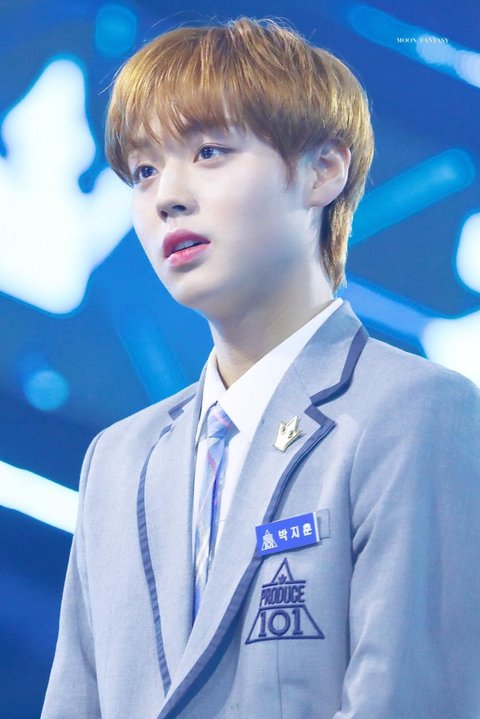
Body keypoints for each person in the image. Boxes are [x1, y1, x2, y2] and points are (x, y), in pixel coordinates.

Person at [42, 17, 480, 719]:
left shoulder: (414, 410)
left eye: (209, 152)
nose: (166, 195)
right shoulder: (118, 459)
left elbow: (409, 700)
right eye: (145, 170)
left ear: (323, 170)